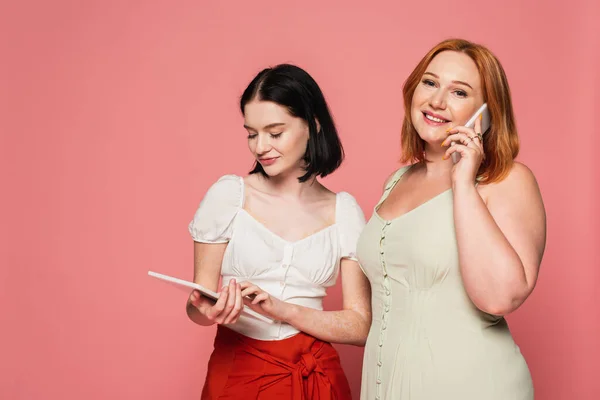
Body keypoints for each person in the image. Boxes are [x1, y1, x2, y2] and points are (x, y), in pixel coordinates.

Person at [358, 39, 547, 399]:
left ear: (487, 113)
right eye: (429, 83)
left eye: (459, 92)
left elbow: (500, 297)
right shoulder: (396, 182)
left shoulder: (508, 180)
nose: (437, 101)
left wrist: (463, 180)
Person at [186, 64, 370, 400]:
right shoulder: (229, 196)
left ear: (312, 125)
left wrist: (282, 309)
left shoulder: (344, 211)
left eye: (275, 132)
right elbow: (198, 304)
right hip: (239, 370)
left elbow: (360, 326)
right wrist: (206, 309)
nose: (260, 147)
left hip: (316, 374)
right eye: (252, 133)